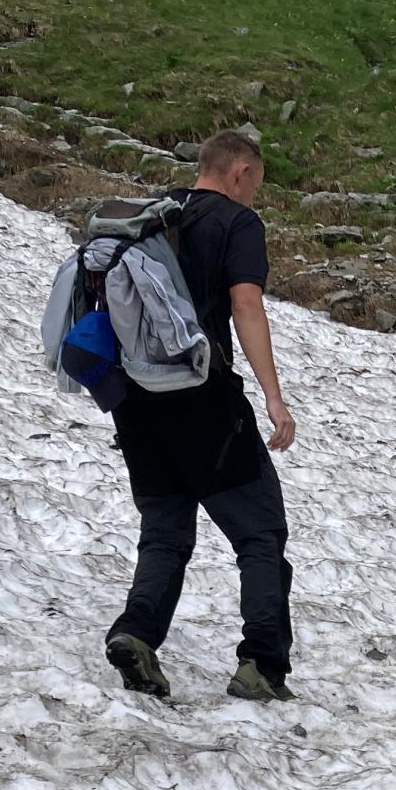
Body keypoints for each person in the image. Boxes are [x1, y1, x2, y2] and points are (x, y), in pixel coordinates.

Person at [103, 130, 299, 703]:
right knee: (260, 532)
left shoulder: (151, 218)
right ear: (240, 171)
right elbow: (245, 304)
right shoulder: (236, 223)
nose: (256, 197)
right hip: (203, 398)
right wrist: (273, 396)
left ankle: (136, 634)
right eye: (256, 185)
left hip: (137, 400)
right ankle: (261, 664)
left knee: (164, 532)